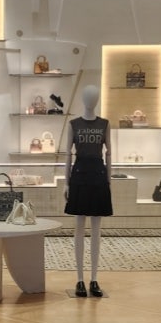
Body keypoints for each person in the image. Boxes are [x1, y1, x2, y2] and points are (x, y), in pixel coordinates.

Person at [64, 84, 112, 298]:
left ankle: (94, 278)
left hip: (98, 176)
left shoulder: (104, 124)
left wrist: (109, 181)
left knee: (96, 230)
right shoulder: (74, 124)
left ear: (98, 99)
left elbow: (109, 153)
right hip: (79, 175)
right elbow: (67, 154)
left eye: (94, 96)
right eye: (88, 95)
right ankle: (79, 279)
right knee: (79, 227)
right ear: (83, 98)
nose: (91, 99)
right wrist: (66, 183)